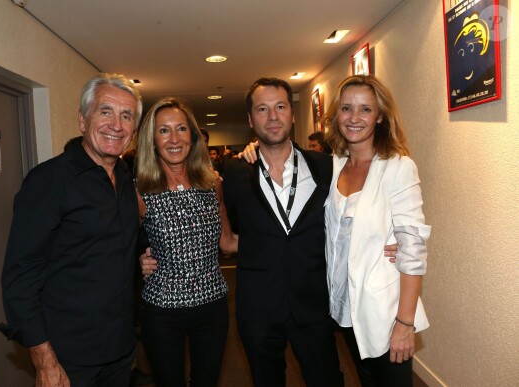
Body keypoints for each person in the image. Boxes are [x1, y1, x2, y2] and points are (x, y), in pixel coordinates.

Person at [0, 73, 143, 387]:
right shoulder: (48, 181)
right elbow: (20, 276)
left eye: (126, 116)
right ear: (82, 120)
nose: (116, 124)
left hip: (119, 351)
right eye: (105, 112)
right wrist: (44, 360)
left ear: (133, 130)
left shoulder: (125, 178)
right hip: (68, 357)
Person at [223, 77, 343, 386]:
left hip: (313, 304)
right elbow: (229, 233)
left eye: (280, 107)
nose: (272, 117)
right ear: (251, 119)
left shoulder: (326, 167)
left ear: (292, 113)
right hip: (258, 308)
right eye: (262, 109)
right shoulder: (235, 172)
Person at [322, 74, 430, 386]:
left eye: (365, 110)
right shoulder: (333, 165)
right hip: (344, 307)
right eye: (346, 109)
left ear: (380, 117)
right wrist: (253, 152)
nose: (354, 118)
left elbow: (412, 250)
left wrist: (404, 323)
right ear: (337, 115)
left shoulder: (397, 166)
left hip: (385, 311)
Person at [135, 97, 238, 387]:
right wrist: (139, 260)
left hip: (212, 307)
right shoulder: (141, 192)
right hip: (162, 311)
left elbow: (228, 242)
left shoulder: (212, 184)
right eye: (163, 130)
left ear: (193, 137)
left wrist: (282, 241)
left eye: (181, 129)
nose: (174, 138)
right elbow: (118, 246)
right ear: (152, 140)